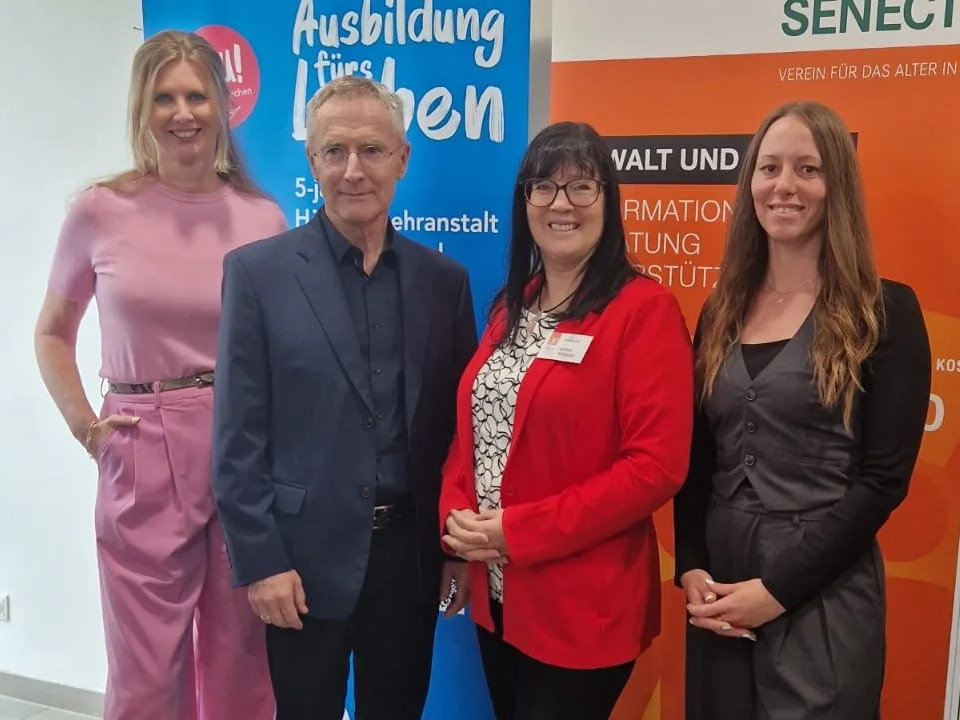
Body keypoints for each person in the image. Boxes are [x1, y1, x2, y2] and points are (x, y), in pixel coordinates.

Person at [34, 30, 283, 720]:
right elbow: (51, 332)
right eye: (164, 98)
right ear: (141, 108)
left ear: (222, 104)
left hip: (242, 446)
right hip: (141, 444)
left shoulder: (262, 218)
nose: (183, 113)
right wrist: (87, 427)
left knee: (243, 666)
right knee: (146, 677)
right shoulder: (98, 210)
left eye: (196, 95)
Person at [211, 75, 477, 720]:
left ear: (402, 159)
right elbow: (237, 437)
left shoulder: (444, 282)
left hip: (409, 563)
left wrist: (453, 550)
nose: (353, 170)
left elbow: (458, 434)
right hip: (299, 565)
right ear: (312, 161)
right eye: (335, 151)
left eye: (372, 150)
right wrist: (261, 562)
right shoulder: (257, 274)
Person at [673, 100, 932, 719]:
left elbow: (882, 482)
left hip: (823, 596)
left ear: (835, 184)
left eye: (807, 169)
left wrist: (777, 590)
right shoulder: (721, 309)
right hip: (721, 596)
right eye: (769, 168)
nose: (784, 185)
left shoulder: (884, 312)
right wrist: (691, 566)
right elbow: (697, 455)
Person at [438, 121, 694, 720]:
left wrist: (519, 532)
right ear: (524, 200)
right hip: (498, 595)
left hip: (582, 607)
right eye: (544, 187)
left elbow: (655, 467)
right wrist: (455, 521)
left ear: (608, 200)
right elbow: (474, 426)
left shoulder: (644, 310)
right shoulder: (513, 304)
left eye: (582, 186)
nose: (561, 204)